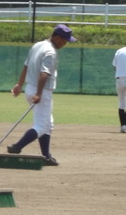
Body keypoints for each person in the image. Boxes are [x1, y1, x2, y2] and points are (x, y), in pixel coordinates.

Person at [7, 24, 77, 165]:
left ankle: (46, 156)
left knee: (48, 124)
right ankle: (17, 147)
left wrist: (19, 85)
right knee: (41, 126)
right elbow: (44, 74)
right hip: (41, 91)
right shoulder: (50, 52)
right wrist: (39, 93)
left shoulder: (38, 45)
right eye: (64, 40)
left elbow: (26, 66)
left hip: (30, 88)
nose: (65, 44)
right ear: (57, 38)